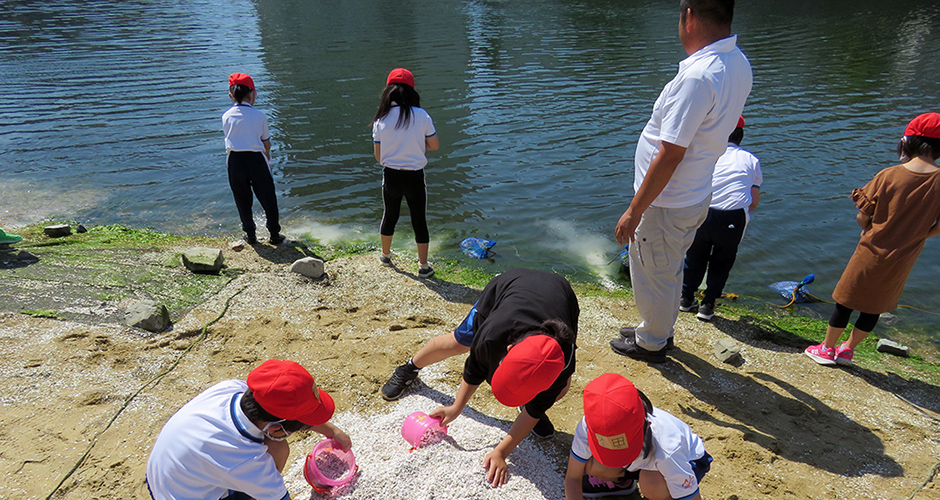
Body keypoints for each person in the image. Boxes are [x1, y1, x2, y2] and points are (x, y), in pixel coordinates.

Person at [611, 0, 752, 363]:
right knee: (669, 268)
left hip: (666, 202)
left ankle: (652, 341)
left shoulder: (698, 77)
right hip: (693, 192)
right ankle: (658, 327)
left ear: (688, 16)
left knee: (654, 273)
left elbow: (671, 153)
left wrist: (633, 210)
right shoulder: (737, 62)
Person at [380, 268, 578, 487]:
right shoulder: (492, 335)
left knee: (562, 389)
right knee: (457, 343)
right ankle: (409, 368)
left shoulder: (563, 363)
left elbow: (540, 403)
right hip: (509, 288)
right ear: (508, 349)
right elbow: (474, 369)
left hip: (561, 296)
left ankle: (526, 404)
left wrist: (501, 452)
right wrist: (456, 407)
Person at [805, 112, 940, 366]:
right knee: (875, 305)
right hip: (905, 256)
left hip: (871, 248)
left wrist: (869, 226)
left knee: (845, 300)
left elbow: (862, 215)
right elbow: (938, 227)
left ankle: (827, 348)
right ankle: (848, 350)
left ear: (909, 142)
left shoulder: (890, 175)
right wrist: (919, 234)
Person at [146, 359, 350, 500]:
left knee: (277, 449)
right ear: (276, 429)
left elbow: (280, 409)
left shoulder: (231, 388)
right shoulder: (247, 460)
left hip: (165, 475)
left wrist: (331, 431)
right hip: (178, 494)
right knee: (278, 450)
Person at [564, 373, 711, 500]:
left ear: (647, 426)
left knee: (652, 483)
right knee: (591, 464)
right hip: (641, 460)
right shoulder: (590, 424)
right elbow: (572, 477)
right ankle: (622, 484)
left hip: (688, 460)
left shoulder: (668, 450)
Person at [680, 116, 762, 321]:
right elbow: (753, 201)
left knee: (694, 257)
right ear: (741, 136)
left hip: (703, 209)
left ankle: (685, 299)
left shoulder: (706, 155)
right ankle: (707, 306)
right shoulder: (751, 160)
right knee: (722, 261)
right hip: (732, 216)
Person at [372, 68, 440, 278]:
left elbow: (378, 156)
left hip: (391, 175)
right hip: (414, 176)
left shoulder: (380, 119)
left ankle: (385, 256)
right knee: (419, 220)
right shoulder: (421, 115)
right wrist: (417, 146)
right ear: (412, 91)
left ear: (388, 91)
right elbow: (435, 145)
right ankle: (423, 266)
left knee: (389, 215)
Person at [223, 72, 285, 246]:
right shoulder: (259, 116)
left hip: (235, 161)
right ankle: (274, 234)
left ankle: (250, 235)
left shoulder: (226, 116)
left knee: (242, 198)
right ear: (253, 93)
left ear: (231, 95)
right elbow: (266, 143)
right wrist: (267, 157)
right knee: (268, 198)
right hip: (256, 159)